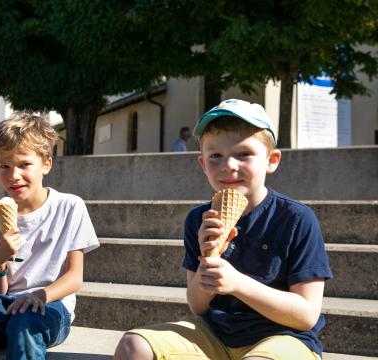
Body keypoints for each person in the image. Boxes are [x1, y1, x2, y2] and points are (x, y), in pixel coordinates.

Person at [114, 99, 333, 360]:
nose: (228, 165)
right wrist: (209, 259)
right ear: (203, 164)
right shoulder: (199, 219)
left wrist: (237, 283)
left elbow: (306, 316)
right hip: (216, 334)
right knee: (132, 346)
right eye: (215, 156)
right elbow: (197, 306)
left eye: (243, 154)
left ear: (271, 160)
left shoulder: (296, 219)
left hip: (284, 337)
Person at [0, 113, 99, 359]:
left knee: (24, 326)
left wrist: (39, 296)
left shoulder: (69, 207)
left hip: (50, 305)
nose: (13, 175)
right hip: (2, 304)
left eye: (24, 164)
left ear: (46, 163)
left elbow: (74, 277)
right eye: (4, 165)